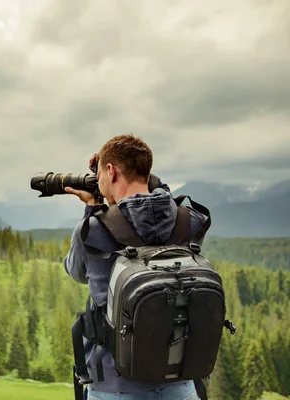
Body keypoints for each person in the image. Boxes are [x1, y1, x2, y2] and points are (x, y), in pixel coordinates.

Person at [63, 134, 207, 400]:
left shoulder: (91, 231)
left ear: (110, 170)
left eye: (101, 175)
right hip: (180, 382)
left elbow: (76, 271)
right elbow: (158, 205)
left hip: (116, 386)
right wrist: (142, 171)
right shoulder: (189, 220)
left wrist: (92, 209)